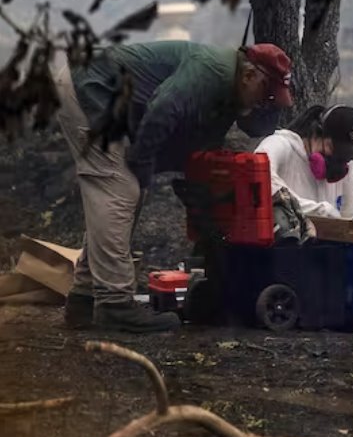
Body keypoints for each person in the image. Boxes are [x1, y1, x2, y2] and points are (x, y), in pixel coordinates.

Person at [55, 41, 294, 333]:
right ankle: (114, 305)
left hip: (99, 90)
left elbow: (202, 144)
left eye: (274, 99)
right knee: (121, 188)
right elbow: (163, 109)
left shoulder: (231, 90)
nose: (266, 103)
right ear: (248, 76)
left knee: (125, 191)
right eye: (266, 93)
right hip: (90, 86)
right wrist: (142, 164)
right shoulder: (211, 71)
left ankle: (85, 299)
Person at [254, 104, 353, 242]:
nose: (336, 158)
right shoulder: (283, 145)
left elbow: (346, 218)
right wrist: (317, 211)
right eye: (331, 147)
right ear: (316, 132)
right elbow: (258, 177)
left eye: (344, 154)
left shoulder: (350, 166)